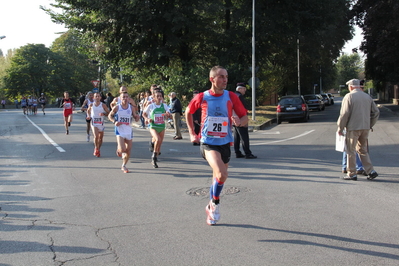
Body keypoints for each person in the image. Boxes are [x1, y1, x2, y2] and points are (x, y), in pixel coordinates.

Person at [186, 66, 248, 225]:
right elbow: (188, 112)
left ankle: (210, 206)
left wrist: (240, 121)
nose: (225, 79)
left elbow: (244, 116)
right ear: (212, 79)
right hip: (208, 142)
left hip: (225, 142)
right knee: (221, 173)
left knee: (218, 176)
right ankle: (215, 203)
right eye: (221, 76)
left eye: (226, 76)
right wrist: (192, 133)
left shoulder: (231, 96)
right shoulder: (203, 97)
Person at [337, 79, 380, 181]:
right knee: (363, 150)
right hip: (365, 127)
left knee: (350, 151)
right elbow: (376, 112)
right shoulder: (367, 97)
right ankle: (370, 171)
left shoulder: (349, 96)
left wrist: (340, 127)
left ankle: (352, 173)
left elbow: (344, 114)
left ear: (351, 87)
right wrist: (370, 124)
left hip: (353, 128)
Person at [108, 91, 139, 173]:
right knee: (123, 149)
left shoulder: (131, 108)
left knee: (128, 150)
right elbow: (110, 115)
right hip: (120, 130)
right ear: (120, 99)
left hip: (128, 130)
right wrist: (114, 121)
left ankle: (124, 165)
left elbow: (135, 116)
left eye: (126, 97)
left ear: (128, 99)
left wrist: (136, 117)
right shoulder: (117, 107)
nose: (125, 98)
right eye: (123, 97)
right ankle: (119, 150)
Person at [143, 90, 171, 168]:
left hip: (161, 126)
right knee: (158, 139)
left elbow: (169, 113)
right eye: (157, 96)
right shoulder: (151, 106)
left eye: (160, 96)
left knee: (159, 144)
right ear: (154, 97)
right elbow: (144, 114)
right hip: (153, 126)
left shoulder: (164, 105)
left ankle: (154, 152)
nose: (159, 98)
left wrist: (168, 114)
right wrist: (147, 119)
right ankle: (154, 158)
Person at [233, 83, 257, 159]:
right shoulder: (239, 96)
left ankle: (237, 152)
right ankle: (248, 153)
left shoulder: (233, 95)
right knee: (244, 137)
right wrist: (244, 119)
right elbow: (243, 109)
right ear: (239, 89)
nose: (245, 91)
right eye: (244, 89)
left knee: (236, 137)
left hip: (234, 118)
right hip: (240, 119)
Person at [86, 92, 109, 157]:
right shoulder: (91, 105)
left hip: (101, 123)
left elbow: (108, 113)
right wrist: (88, 116)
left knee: (100, 138)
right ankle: (96, 148)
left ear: (100, 98)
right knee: (96, 136)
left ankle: (98, 149)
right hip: (94, 123)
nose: (97, 98)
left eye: (98, 96)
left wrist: (104, 114)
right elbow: (88, 111)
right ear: (93, 98)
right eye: (96, 96)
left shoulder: (103, 105)